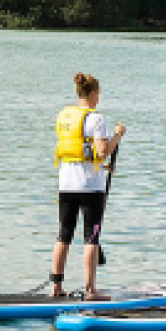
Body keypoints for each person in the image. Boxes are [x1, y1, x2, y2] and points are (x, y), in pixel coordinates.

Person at [51, 72, 125, 300]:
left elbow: (80, 152)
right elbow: (102, 151)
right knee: (91, 237)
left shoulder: (64, 115)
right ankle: (91, 290)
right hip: (90, 188)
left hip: (66, 184)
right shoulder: (96, 118)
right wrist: (117, 136)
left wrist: (101, 167)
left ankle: (56, 285)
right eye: (98, 93)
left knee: (64, 235)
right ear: (93, 93)